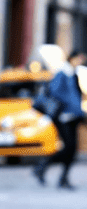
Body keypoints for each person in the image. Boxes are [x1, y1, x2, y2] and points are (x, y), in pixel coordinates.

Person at [34, 50, 86, 189]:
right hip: (63, 116)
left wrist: (80, 112)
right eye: (78, 59)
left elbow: (77, 96)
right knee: (68, 147)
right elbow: (56, 92)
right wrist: (69, 105)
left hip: (74, 116)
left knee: (72, 149)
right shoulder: (62, 74)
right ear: (71, 58)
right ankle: (43, 166)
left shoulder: (73, 75)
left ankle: (63, 178)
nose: (80, 61)